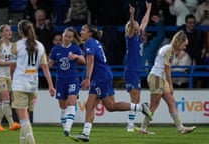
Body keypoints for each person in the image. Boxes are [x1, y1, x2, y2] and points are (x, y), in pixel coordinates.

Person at [71, 24, 153, 142]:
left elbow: (91, 60)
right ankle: (85, 133)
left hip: (100, 77)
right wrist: (77, 57)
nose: (81, 31)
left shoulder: (89, 43)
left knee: (111, 106)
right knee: (90, 106)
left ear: (90, 33)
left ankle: (140, 107)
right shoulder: (93, 42)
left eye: (84, 29)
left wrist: (87, 78)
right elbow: (88, 60)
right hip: (101, 76)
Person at [140, 30, 196, 134]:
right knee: (154, 105)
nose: (185, 47)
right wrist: (170, 85)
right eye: (184, 44)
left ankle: (180, 128)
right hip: (156, 78)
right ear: (180, 41)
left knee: (171, 102)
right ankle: (143, 128)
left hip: (160, 78)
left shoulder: (169, 49)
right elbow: (167, 69)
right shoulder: (169, 50)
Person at [10, 20, 56, 144]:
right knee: (26, 117)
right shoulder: (40, 46)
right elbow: (45, 68)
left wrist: (11, 81)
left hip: (20, 84)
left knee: (23, 118)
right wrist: (51, 86)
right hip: (33, 86)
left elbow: (12, 67)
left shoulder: (16, 45)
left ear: (20, 31)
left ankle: (32, 142)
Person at [48, 27, 86, 136]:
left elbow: (84, 61)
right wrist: (43, 61)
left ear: (72, 38)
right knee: (62, 106)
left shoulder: (75, 48)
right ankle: (65, 127)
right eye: (66, 36)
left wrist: (76, 56)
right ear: (62, 35)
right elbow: (49, 64)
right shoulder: (56, 49)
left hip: (72, 79)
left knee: (71, 103)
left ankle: (68, 128)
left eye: (70, 37)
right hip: (60, 80)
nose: (67, 38)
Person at [124, 1, 151, 132]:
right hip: (131, 71)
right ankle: (129, 125)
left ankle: (131, 124)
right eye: (136, 24)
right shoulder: (130, 37)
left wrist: (149, 9)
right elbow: (130, 28)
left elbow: (145, 22)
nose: (139, 25)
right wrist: (132, 16)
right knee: (134, 98)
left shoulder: (139, 36)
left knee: (137, 97)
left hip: (136, 71)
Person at [0, 24, 20, 131]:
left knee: (1, 100)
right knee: (6, 98)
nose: (9, 32)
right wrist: (11, 63)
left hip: (8, 76)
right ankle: (12, 123)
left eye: (10, 30)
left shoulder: (13, 46)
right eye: (7, 30)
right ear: (2, 33)